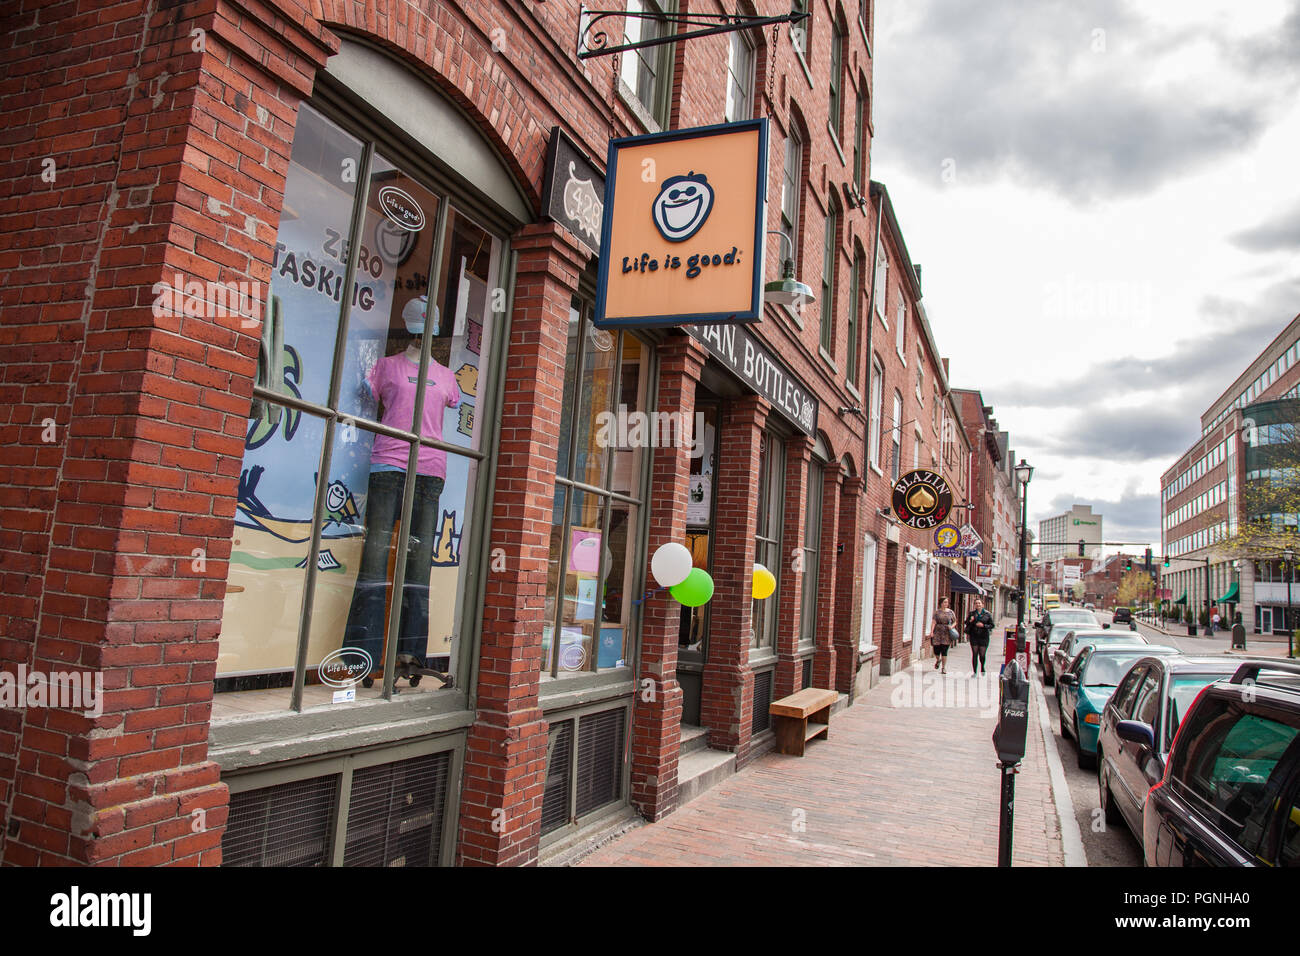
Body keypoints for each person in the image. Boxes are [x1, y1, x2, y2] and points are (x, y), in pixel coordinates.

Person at [965, 597, 994, 675]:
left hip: (984, 636)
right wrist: (970, 621)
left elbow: (992, 625)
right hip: (974, 635)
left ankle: (982, 667)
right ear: (974, 605)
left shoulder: (987, 614)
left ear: (982, 605)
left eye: (979, 603)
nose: (978, 605)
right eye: (976, 603)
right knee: (974, 654)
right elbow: (966, 623)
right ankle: (974, 671)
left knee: (982, 654)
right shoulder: (972, 613)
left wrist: (983, 625)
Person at [930, 597, 957, 674]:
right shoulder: (937, 612)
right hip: (937, 632)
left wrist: (951, 626)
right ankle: (938, 660)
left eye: (947, 602)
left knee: (944, 650)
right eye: (944, 602)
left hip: (947, 633)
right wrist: (932, 632)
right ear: (941, 603)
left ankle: (943, 668)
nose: (946, 604)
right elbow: (934, 622)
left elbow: (955, 622)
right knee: (936, 650)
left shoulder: (951, 612)